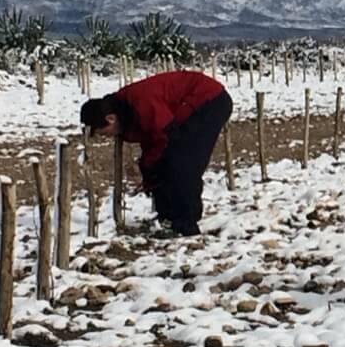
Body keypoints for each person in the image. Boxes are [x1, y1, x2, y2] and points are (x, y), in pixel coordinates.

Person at [81, 70, 233, 237]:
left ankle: (186, 225)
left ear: (111, 118)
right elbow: (152, 136)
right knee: (164, 162)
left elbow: (164, 135)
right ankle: (167, 219)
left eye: (103, 132)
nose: (107, 137)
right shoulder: (124, 108)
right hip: (184, 111)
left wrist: (148, 165)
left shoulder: (140, 103)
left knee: (183, 163)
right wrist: (148, 168)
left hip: (209, 100)